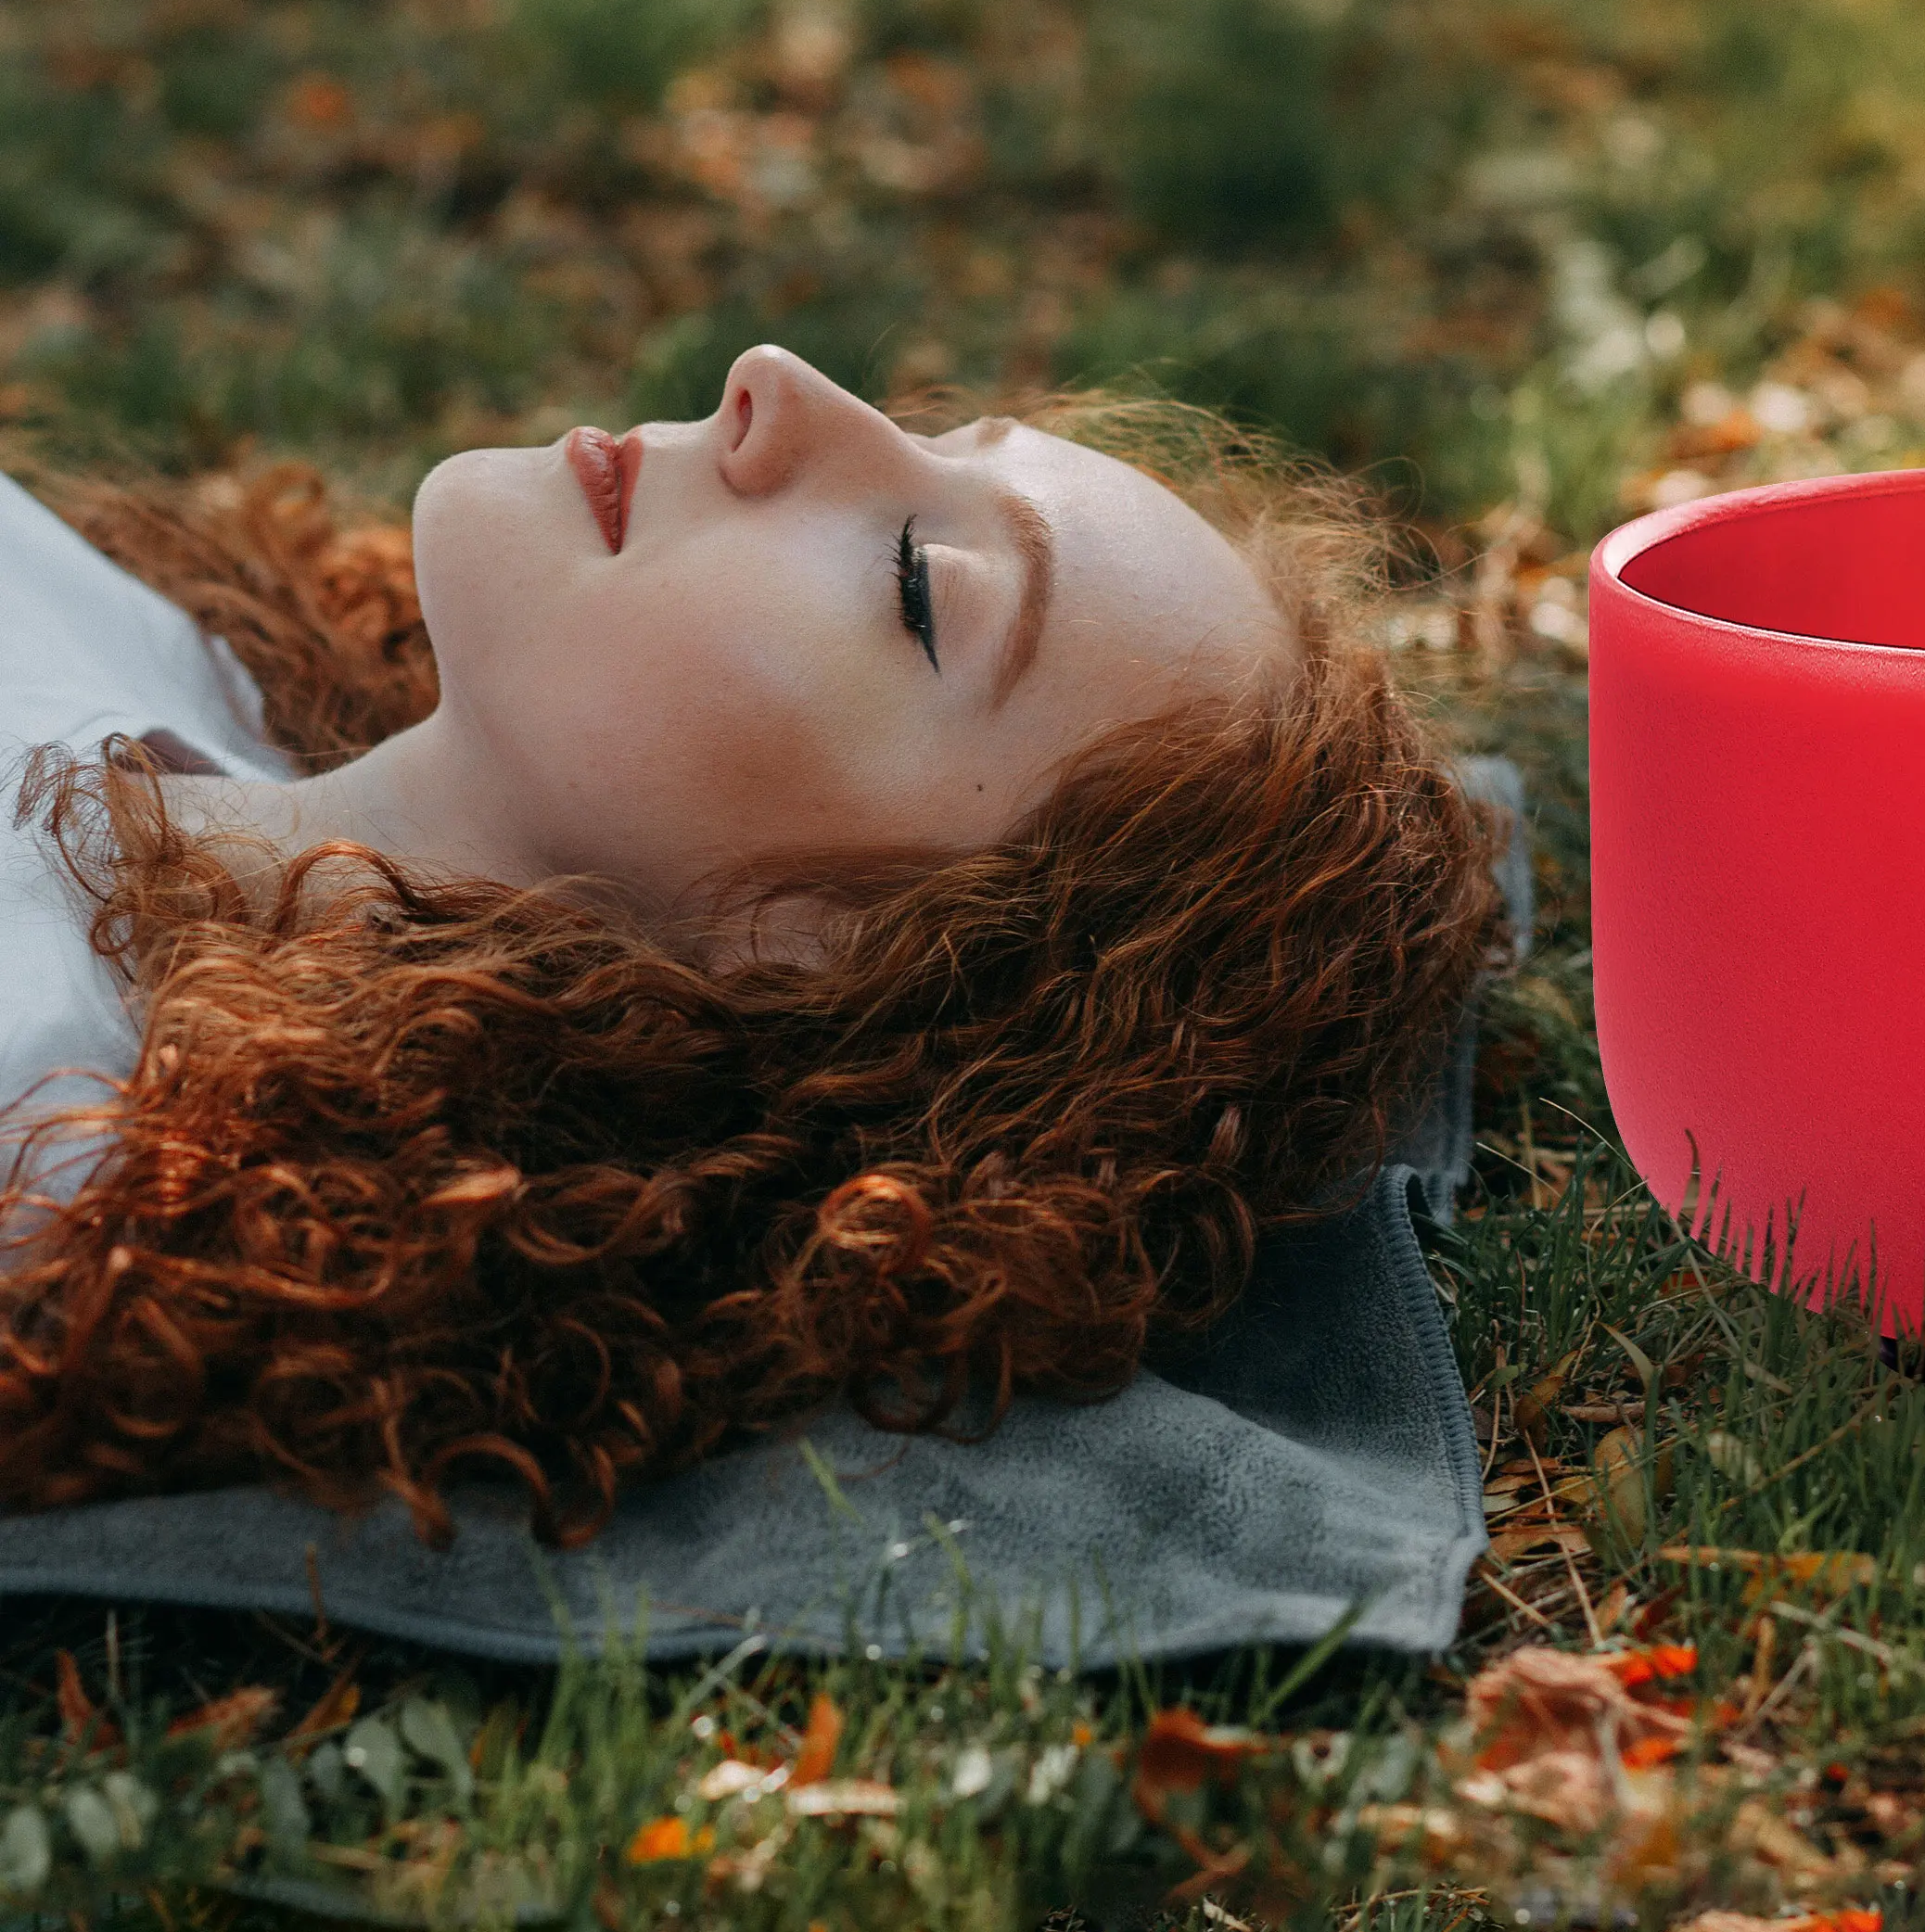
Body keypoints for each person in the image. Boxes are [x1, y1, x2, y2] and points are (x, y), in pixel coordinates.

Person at [0, 348, 1503, 1545]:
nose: (778, 382)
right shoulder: (176, 671)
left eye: (917, 585)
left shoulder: (37, 1088)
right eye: (930, 429)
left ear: (832, 975)